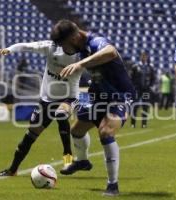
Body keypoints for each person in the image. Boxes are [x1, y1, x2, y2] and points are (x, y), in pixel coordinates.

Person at [50, 19, 136, 196]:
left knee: (106, 132)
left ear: (74, 39)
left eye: (64, 45)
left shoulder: (96, 42)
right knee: (76, 131)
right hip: (98, 95)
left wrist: (81, 64)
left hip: (120, 96)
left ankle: (113, 185)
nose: (64, 50)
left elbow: (111, 52)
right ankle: (82, 161)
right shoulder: (80, 48)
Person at [0, 40, 83, 176]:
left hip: (69, 97)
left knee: (61, 115)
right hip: (46, 99)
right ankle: (12, 169)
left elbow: (102, 62)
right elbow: (26, 46)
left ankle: (68, 160)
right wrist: (9, 49)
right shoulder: (51, 47)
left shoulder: (83, 54)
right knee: (30, 135)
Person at [129, 52, 155, 128]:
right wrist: (133, 87)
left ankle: (144, 124)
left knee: (145, 106)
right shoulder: (135, 66)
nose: (143, 58)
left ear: (147, 58)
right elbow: (131, 78)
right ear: (140, 57)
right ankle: (133, 123)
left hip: (146, 90)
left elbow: (153, 78)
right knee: (135, 106)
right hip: (137, 89)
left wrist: (150, 86)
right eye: (142, 56)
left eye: (145, 57)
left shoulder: (150, 67)